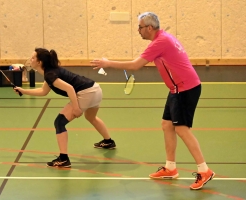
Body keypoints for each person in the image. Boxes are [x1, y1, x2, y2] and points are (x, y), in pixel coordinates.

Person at [90, 12, 214, 190]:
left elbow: (135, 65)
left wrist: (108, 63)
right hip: (176, 89)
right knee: (166, 124)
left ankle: (204, 170)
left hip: (186, 88)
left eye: (140, 27)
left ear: (149, 28)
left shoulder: (160, 42)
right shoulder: (163, 39)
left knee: (181, 129)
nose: (138, 30)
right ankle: (170, 168)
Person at [14, 47, 116, 168]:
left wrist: (77, 108)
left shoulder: (50, 74)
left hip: (86, 93)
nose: (30, 60)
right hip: (95, 89)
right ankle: (108, 141)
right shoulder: (50, 72)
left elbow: (70, 89)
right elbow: (43, 91)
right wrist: (23, 91)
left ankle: (63, 159)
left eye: (33, 58)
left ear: (39, 62)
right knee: (91, 117)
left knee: (59, 122)